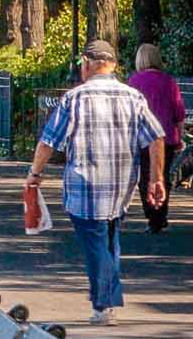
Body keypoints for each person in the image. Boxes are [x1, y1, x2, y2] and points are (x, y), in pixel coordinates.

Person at [28, 40, 169, 323]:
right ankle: (104, 300)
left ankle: (104, 304)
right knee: (109, 241)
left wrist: (35, 174)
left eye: (82, 64)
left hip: (85, 184)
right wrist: (157, 178)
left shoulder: (74, 98)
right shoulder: (133, 97)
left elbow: (48, 142)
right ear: (114, 65)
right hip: (121, 185)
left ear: (88, 63)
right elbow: (156, 137)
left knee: (95, 243)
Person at [125, 43, 187, 219]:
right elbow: (179, 112)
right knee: (163, 175)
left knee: (145, 176)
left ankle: (151, 213)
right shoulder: (169, 81)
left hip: (142, 137)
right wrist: (179, 137)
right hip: (166, 136)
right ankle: (161, 212)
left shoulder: (134, 81)